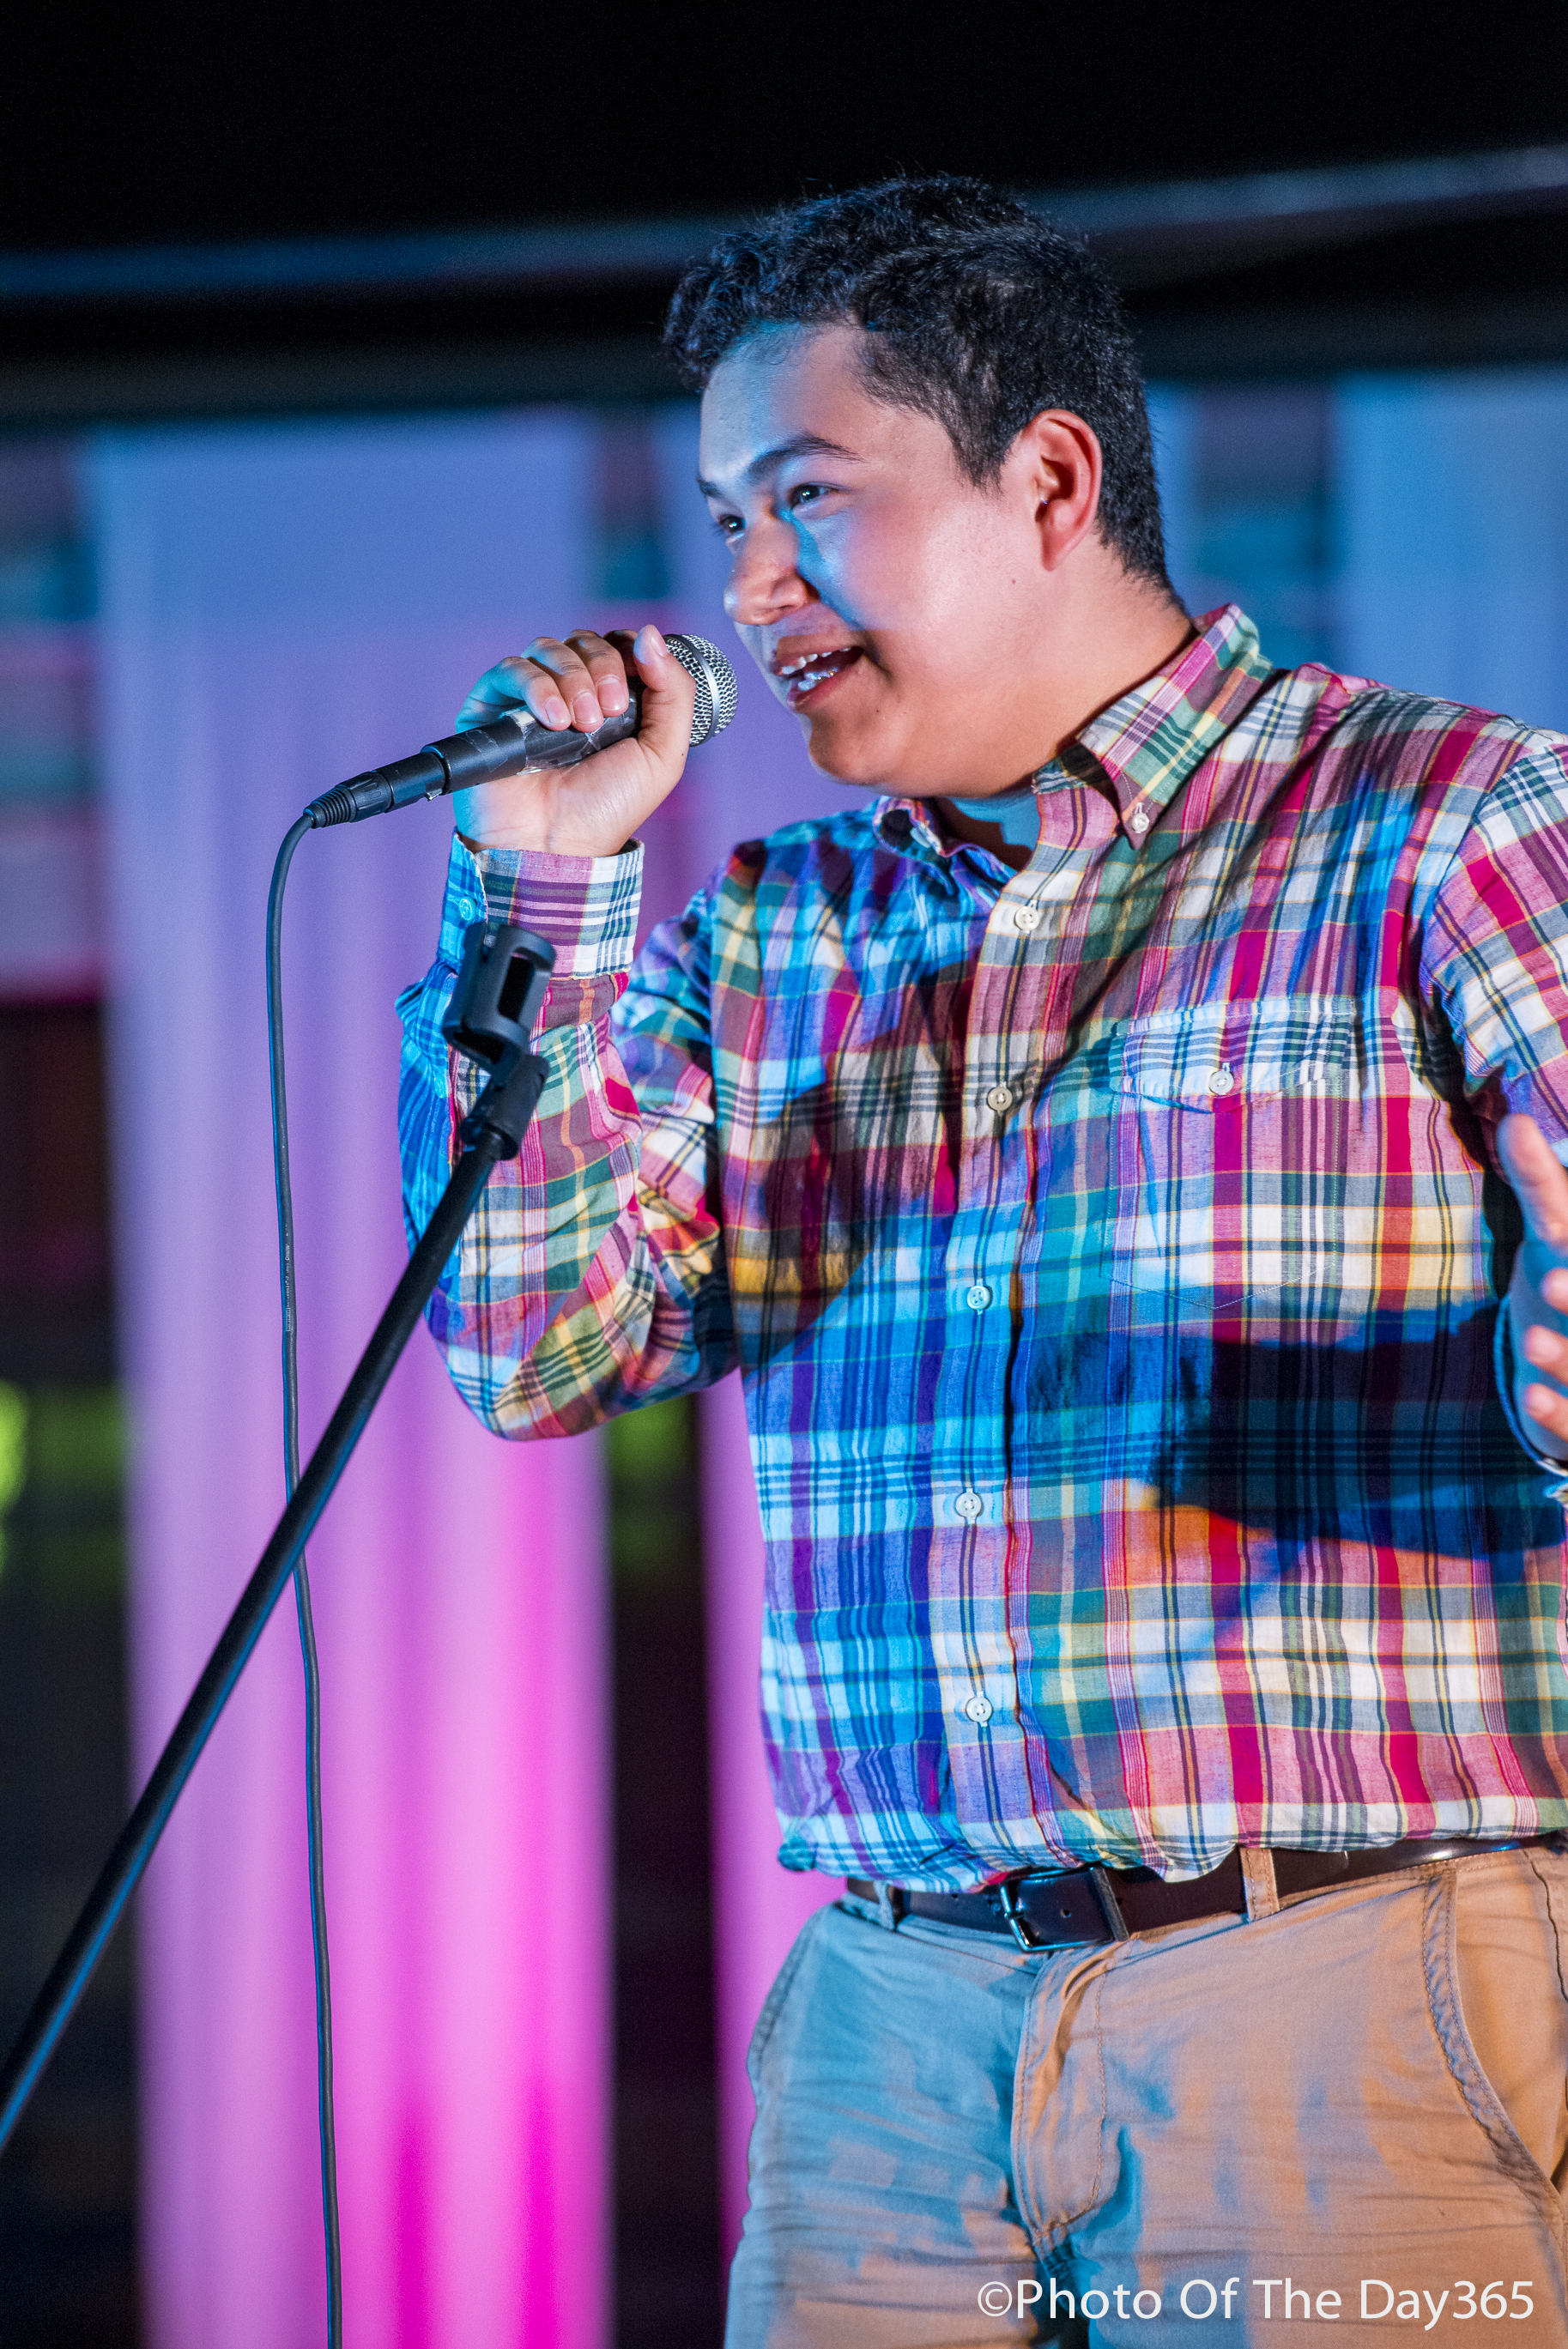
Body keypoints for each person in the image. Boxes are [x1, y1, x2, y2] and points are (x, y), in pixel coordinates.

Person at [398, 179, 1568, 2344]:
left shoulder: (1445, 824)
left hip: (1330, 1985)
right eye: (726, 520)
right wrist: (539, 891)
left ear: (1046, 479)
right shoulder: (773, 929)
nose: (745, 587)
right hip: (888, 2021)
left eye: (805, 498)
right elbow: (534, 1345)